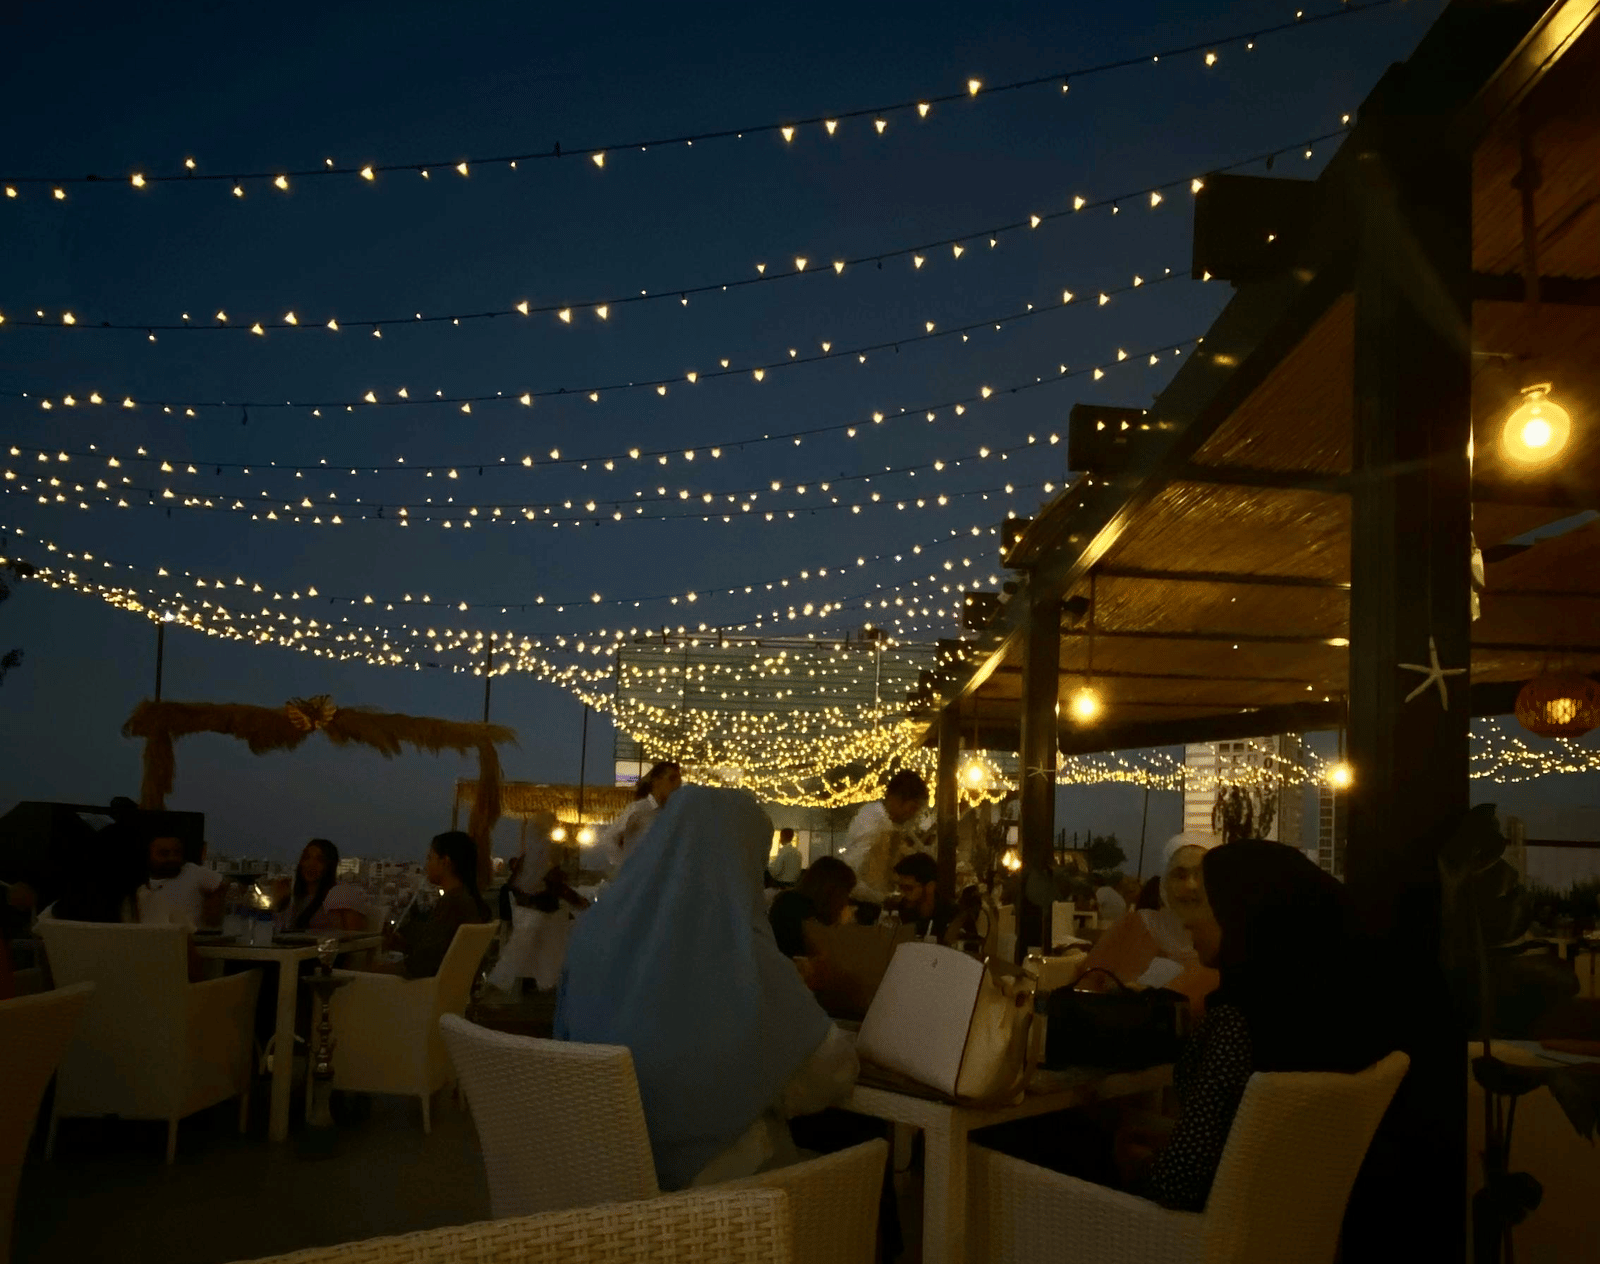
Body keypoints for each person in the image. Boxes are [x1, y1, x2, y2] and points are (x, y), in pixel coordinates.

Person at [556, 785, 857, 1190]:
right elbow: (829, 1075)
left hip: (596, 1169)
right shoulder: (742, 955)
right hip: (717, 1201)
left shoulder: (591, 935)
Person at [1123, 839, 1392, 1210]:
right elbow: (1255, 1141)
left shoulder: (1236, 1026)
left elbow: (1178, 1184)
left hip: (1198, 1235)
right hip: (1289, 1224)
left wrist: (1134, 1161)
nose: (1187, 920)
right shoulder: (1335, 1017)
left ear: (1246, 914)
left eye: (1208, 903)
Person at [1082, 832, 1221, 1013]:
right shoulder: (1133, 925)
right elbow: (1086, 983)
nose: (1191, 885)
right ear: (1164, 885)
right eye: (1179, 876)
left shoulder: (1225, 945)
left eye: (1201, 876)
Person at [372, 831, 492, 978]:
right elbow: (436, 953)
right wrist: (403, 945)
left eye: (430, 858)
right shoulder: (467, 900)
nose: (426, 864)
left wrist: (375, 971)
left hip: (427, 991)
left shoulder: (452, 903)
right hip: (451, 990)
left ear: (445, 861)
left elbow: (421, 966)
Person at [840, 769, 930, 903]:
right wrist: (882, 899)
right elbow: (850, 876)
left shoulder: (892, 824)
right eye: (912, 808)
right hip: (861, 906)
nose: (913, 814)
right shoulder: (872, 821)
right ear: (896, 799)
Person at [592, 760, 683, 877]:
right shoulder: (640, 809)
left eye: (679, 781)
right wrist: (625, 867)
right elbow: (609, 839)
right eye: (671, 779)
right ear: (656, 782)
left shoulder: (672, 814)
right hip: (638, 880)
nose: (676, 786)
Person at [274, 838, 372, 933]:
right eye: (306, 858)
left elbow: (357, 939)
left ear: (330, 865)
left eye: (320, 860)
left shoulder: (340, 893)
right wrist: (280, 902)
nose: (311, 864)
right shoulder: (297, 898)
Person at [768, 855, 856, 959]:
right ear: (832, 890)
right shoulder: (802, 915)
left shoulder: (787, 902)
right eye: (846, 892)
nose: (846, 900)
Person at [136, 833, 227, 929]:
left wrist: (213, 906)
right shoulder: (140, 891)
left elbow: (223, 883)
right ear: (149, 856)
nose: (172, 858)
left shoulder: (192, 872)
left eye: (177, 853)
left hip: (188, 941)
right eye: (164, 853)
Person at [891, 851, 954, 942]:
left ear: (930, 887)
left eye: (908, 888)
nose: (902, 892)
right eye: (900, 887)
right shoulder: (899, 913)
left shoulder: (951, 916)